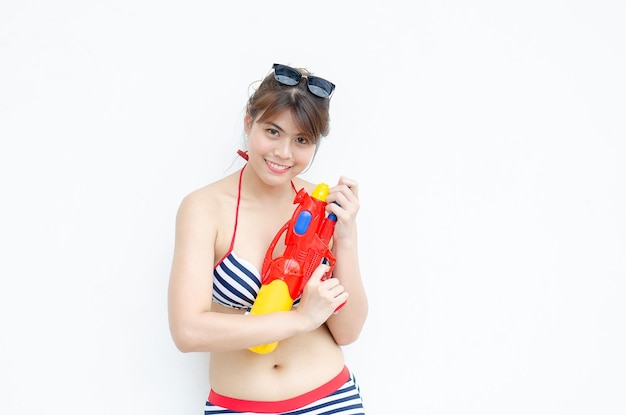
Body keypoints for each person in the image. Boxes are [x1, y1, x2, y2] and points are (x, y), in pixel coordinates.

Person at [168, 63, 368, 414]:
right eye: (273, 132)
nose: (284, 153)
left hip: (330, 400)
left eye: (301, 140)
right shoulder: (203, 208)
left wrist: (346, 237)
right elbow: (187, 331)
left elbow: (347, 331)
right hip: (240, 405)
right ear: (249, 122)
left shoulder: (324, 207)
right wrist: (299, 319)